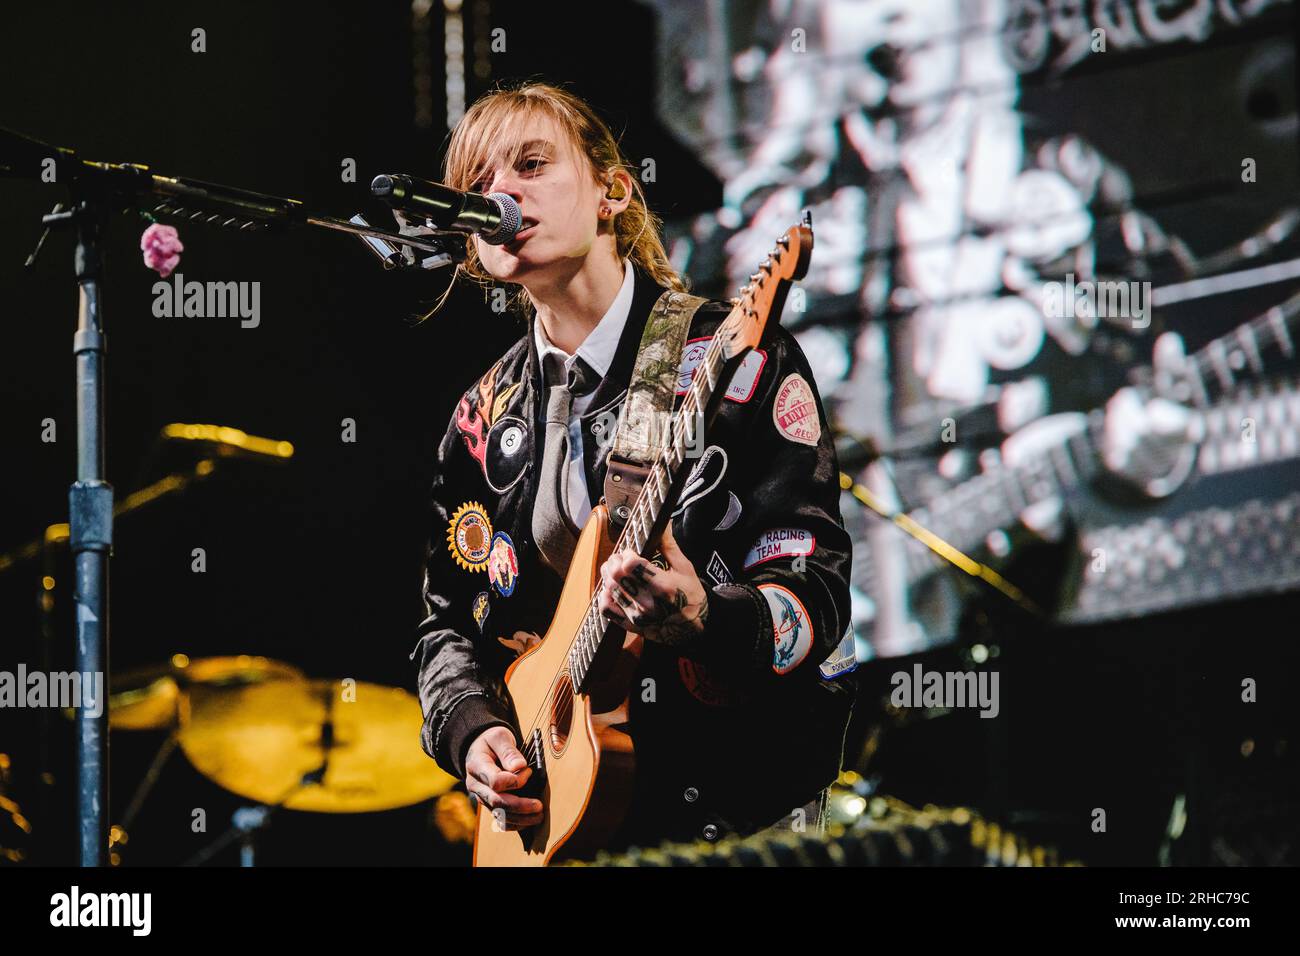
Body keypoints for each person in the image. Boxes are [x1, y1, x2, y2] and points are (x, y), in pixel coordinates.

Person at [410, 82, 856, 852]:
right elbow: (445, 626)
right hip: (563, 823)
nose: (501, 194)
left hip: (736, 813)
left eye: (531, 164)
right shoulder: (478, 421)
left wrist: (707, 620)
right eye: (478, 186)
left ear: (613, 191)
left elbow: (815, 589)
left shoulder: (736, 359)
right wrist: (472, 734)